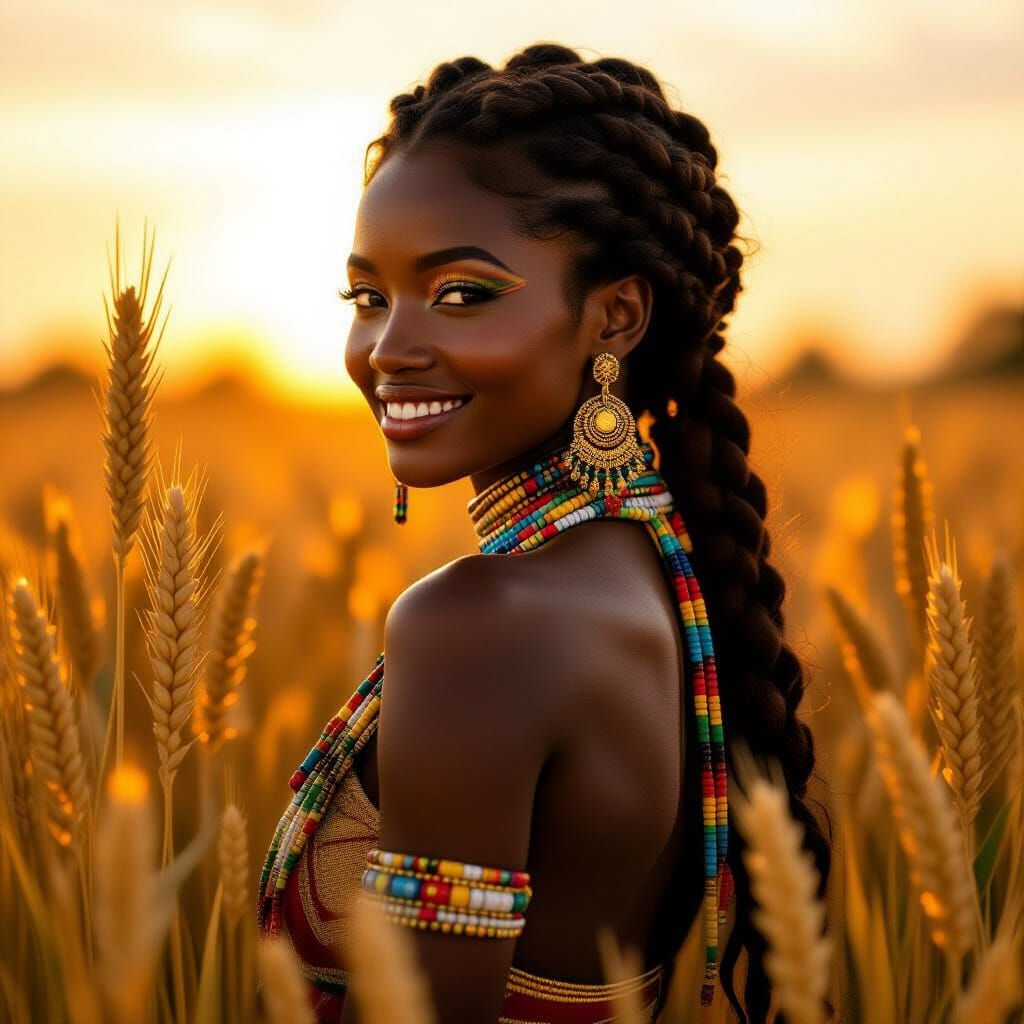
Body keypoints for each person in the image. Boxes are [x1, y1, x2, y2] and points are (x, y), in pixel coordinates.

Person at [257, 43, 833, 1024]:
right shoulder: (660, 576)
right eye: (367, 297)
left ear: (613, 317)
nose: (388, 349)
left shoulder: (478, 623)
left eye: (460, 293)